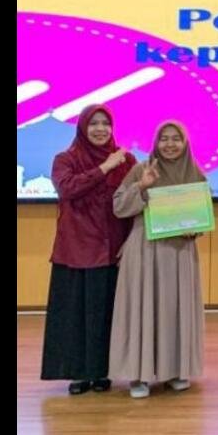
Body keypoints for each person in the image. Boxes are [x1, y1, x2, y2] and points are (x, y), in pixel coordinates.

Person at [41, 104, 136, 395]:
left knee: (106, 315)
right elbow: (68, 188)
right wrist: (104, 167)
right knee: (76, 316)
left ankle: (102, 372)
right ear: (82, 127)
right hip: (76, 251)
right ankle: (78, 374)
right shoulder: (65, 159)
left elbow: (133, 203)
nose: (100, 129)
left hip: (113, 251)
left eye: (105, 123)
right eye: (93, 123)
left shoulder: (127, 160)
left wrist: (130, 241)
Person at [109, 120, 208, 398]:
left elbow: (203, 215)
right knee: (143, 309)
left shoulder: (195, 173)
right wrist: (142, 185)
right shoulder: (142, 169)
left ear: (185, 142)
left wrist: (195, 228)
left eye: (176, 138)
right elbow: (119, 206)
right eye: (164, 138)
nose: (170, 144)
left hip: (179, 253)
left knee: (175, 310)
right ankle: (138, 375)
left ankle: (175, 370)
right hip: (145, 250)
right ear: (155, 142)